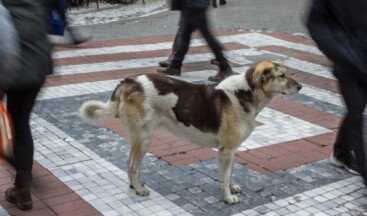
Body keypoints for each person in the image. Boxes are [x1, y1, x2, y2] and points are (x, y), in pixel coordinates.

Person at [306, 0, 367, 186]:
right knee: (356, 113)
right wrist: (343, 50)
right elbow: (315, 22)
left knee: (355, 110)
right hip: (348, 62)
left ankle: (340, 152)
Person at [1, 0, 54, 210]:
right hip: (37, 68)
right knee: (21, 125)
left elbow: (5, 46)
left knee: (15, 125)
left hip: (11, 69)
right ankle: (23, 189)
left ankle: (19, 169)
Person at [157, 0, 233, 82]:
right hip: (192, 4)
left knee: (203, 34)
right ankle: (175, 66)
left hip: (194, 4)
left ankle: (224, 66)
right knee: (185, 33)